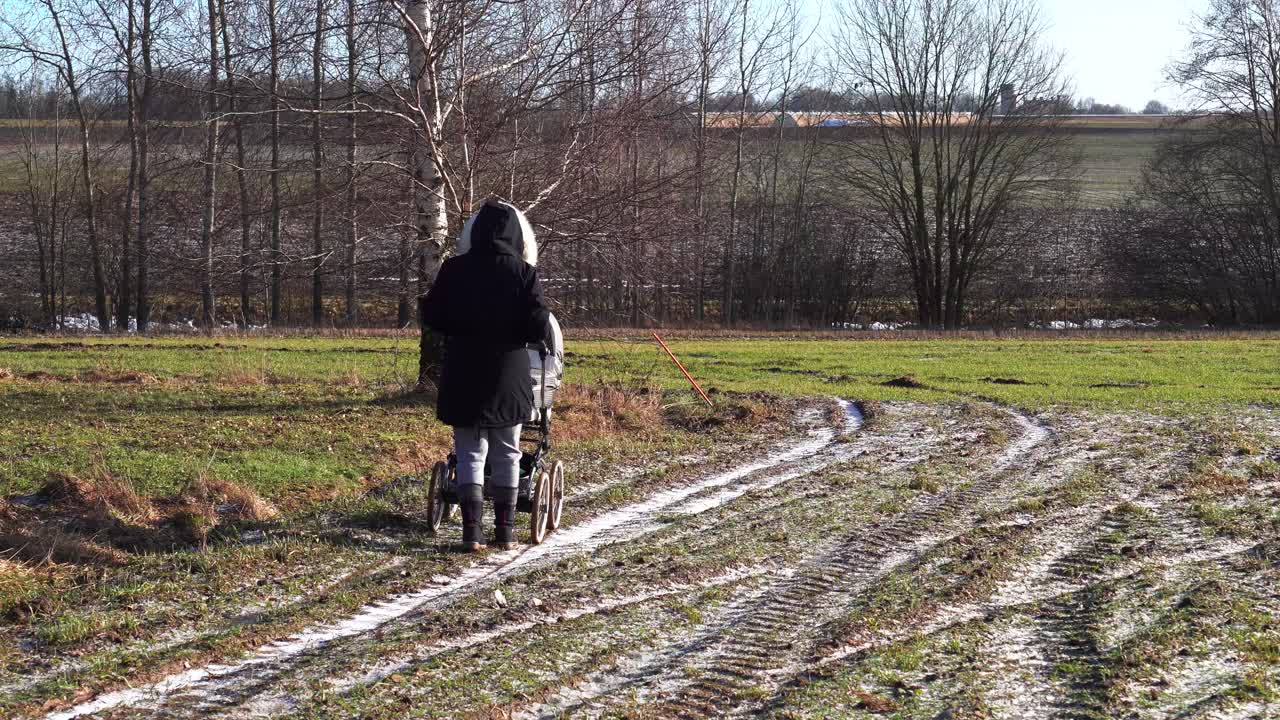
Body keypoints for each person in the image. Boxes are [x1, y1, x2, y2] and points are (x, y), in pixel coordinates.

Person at [421, 198, 551, 552]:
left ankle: (471, 533)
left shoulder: (453, 270)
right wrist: (516, 334)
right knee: (508, 453)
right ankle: (506, 533)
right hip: (509, 374)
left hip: (463, 371)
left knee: (469, 454)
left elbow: (432, 316)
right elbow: (539, 323)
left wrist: (458, 329)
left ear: (474, 233)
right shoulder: (524, 273)